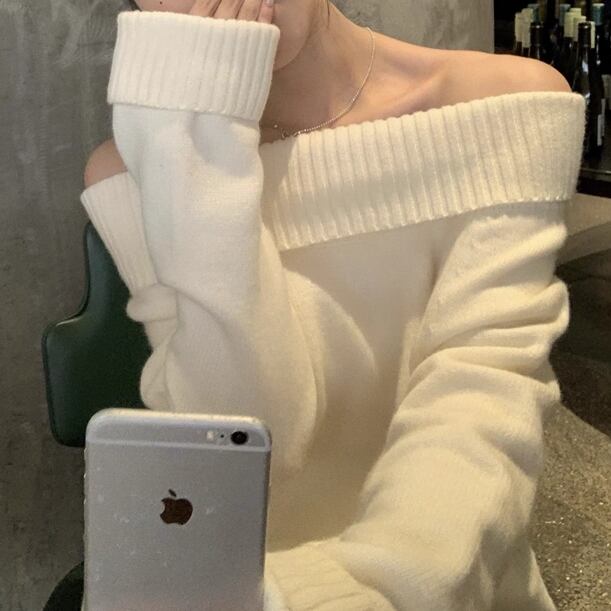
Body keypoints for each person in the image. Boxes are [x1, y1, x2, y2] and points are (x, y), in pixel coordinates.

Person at [80, 0, 585, 609]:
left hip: (446, 583)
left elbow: (483, 393)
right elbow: (256, 441)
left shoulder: (504, 104)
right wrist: (197, 152)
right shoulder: (142, 168)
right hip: (254, 589)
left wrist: (375, 589)